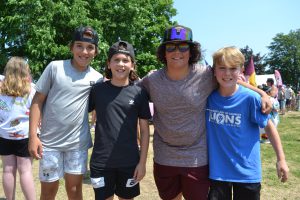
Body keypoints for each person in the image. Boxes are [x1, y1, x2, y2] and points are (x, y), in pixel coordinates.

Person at [140, 25, 272, 200]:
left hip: (197, 157)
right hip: (164, 156)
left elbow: (228, 77)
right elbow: (128, 94)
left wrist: (262, 93)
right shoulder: (151, 80)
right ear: (164, 52)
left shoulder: (205, 75)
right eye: (170, 46)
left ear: (191, 51)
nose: (177, 51)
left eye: (183, 46)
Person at [28, 26, 103, 200]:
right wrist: (33, 136)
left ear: (96, 51)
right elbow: (37, 101)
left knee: (75, 190)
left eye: (90, 47)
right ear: (71, 47)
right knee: (48, 191)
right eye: (79, 45)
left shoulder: (97, 78)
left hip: (77, 145)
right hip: (49, 143)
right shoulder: (55, 68)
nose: (84, 51)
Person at [206, 46, 289, 200]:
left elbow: (270, 128)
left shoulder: (251, 99)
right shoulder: (208, 97)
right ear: (214, 70)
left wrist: (281, 159)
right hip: (217, 174)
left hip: (247, 174)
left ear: (241, 70)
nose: (227, 73)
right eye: (222, 68)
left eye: (233, 68)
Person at [88, 41, 151, 200]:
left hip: (129, 162)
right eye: (116, 60)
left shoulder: (140, 93)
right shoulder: (97, 91)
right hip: (101, 163)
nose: (120, 64)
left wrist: (142, 163)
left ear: (132, 65)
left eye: (125, 60)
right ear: (108, 64)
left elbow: (144, 131)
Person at [0, 57, 36, 200]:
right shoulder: (32, 89)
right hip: (25, 136)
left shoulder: (1, 87)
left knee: (8, 170)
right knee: (25, 170)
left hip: (3, 135)